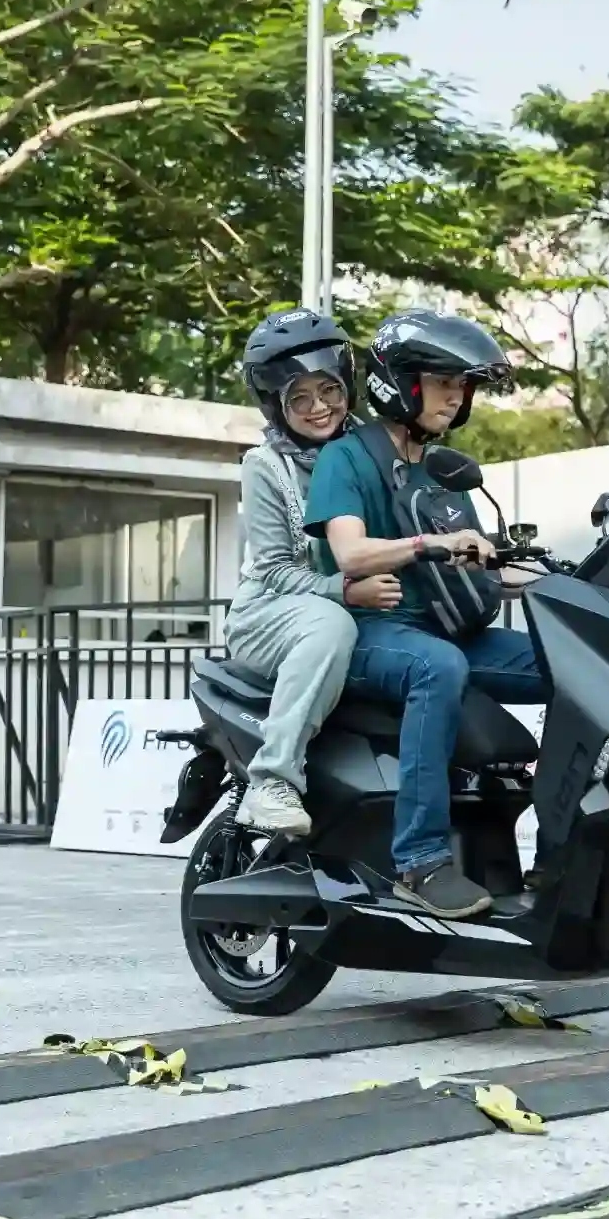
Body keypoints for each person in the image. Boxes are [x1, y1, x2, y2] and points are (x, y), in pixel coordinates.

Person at [303, 310, 545, 919]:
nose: (455, 396)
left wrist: (574, 580)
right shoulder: (346, 459)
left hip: (449, 629)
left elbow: (481, 563)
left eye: (462, 385)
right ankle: (421, 862)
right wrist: (426, 546)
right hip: (370, 632)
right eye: (443, 382)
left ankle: (564, 848)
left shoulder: (445, 473)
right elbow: (350, 553)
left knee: (570, 662)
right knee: (435, 667)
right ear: (401, 381)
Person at [225, 309, 398, 836]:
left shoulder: (374, 448)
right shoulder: (265, 466)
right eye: (299, 398)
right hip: (271, 616)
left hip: (355, 603)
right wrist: (345, 590)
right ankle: (272, 781)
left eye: (328, 390)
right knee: (330, 624)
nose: (319, 407)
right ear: (277, 406)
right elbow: (275, 569)